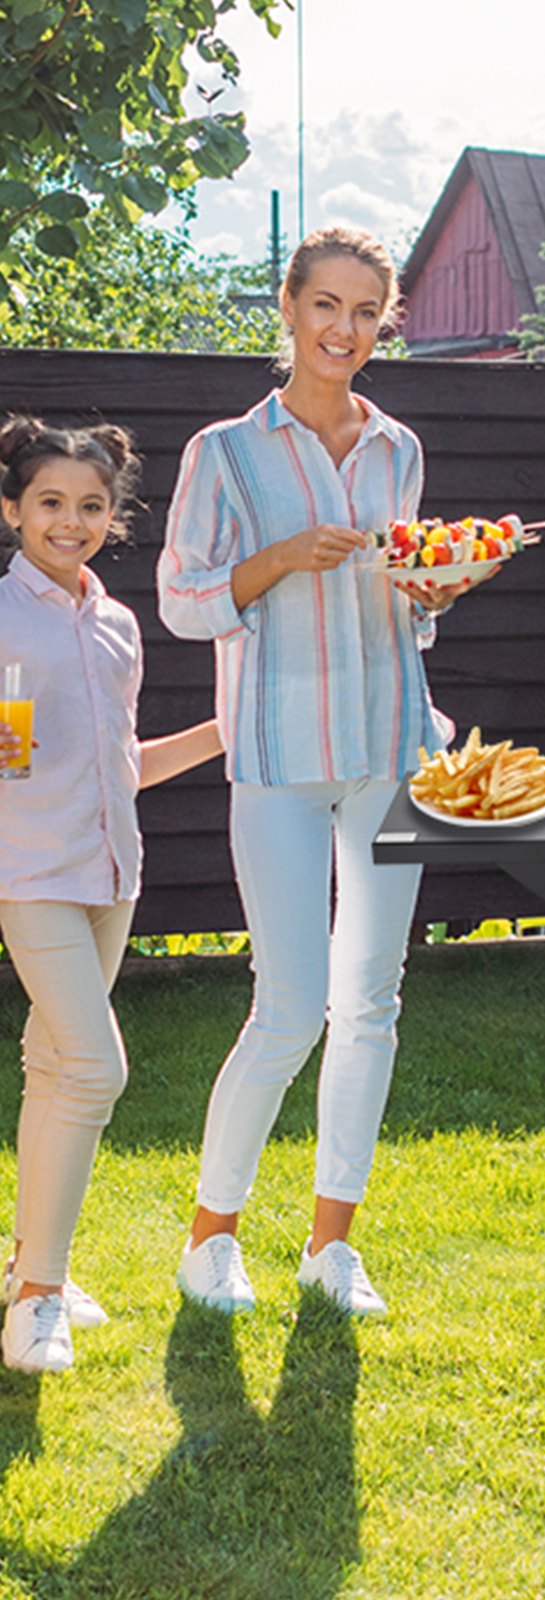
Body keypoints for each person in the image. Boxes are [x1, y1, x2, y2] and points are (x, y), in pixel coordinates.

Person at [159, 226, 486, 1319]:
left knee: (372, 1005)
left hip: (392, 747)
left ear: (383, 323)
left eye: (364, 312)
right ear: (289, 307)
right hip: (281, 760)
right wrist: (277, 559)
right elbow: (182, 600)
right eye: (325, 306)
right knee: (290, 1008)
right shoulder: (227, 451)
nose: (343, 330)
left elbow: (399, 599)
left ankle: (329, 1245)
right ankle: (211, 1239)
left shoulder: (398, 449)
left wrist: (428, 595)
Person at [0, 417, 222, 1374]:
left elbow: (121, 764)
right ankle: (37, 1303)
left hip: (112, 875)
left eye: (91, 505)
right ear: (13, 510)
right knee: (95, 1071)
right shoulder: (3, 620)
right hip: (31, 874)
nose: (71, 520)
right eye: (50, 502)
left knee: (54, 1067)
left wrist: (223, 731)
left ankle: (26, 1270)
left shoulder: (120, 624)